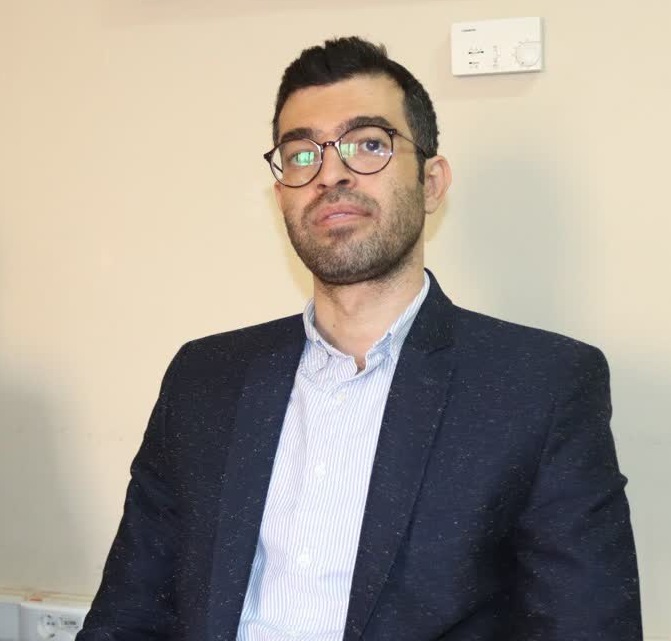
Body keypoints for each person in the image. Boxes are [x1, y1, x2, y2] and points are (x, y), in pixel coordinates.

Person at [77, 37, 642, 640]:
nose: (331, 174)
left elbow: (585, 627)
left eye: (369, 144)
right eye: (301, 155)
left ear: (431, 183)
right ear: (281, 195)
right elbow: (127, 614)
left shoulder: (539, 386)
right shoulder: (205, 377)